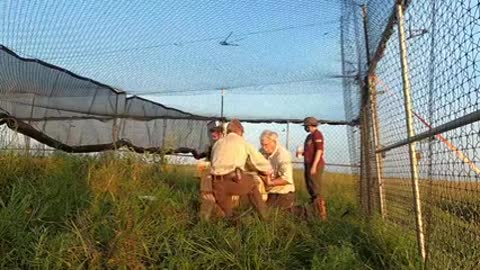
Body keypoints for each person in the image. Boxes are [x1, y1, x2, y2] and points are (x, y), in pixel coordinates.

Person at [209, 119, 272, 220]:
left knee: (228, 216)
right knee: (252, 186)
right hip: (234, 180)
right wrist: (268, 170)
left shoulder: (217, 143)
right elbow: (259, 161)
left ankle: (230, 224)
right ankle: (265, 217)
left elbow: (213, 162)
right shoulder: (242, 142)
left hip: (216, 183)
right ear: (240, 131)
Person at [192, 125, 225, 221]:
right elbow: (202, 157)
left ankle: (212, 216)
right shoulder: (212, 146)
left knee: (212, 195)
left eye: (216, 133)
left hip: (221, 174)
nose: (213, 135)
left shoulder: (225, 146)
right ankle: (213, 216)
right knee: (208, 193)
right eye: (212, 133)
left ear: (221, 134)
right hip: (210, 172)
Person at [299, 116, 327, 221]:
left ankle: (321, 214)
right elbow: (309, 152)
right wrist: (301, 153)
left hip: (315, 165)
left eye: (306, 126)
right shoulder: (309, 137)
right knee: (310, 187)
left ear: (310, 125)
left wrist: (314, 165)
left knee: (316, 189)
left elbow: (319, 151)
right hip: (308, 164)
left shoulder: (317, 134)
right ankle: (314, 211)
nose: (305, 128)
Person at [259, 130, 296, 210]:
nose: (263, 148)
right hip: (269, 191)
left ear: (274, 142)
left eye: (266, 145)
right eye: (262, 145)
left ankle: (311, 210)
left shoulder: (283, 155)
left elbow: (287, 178)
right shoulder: (261, 152)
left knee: (278, 214)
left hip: (283, 192)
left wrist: (270, 182)